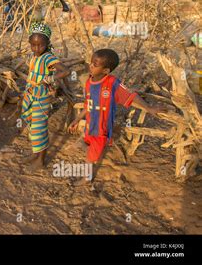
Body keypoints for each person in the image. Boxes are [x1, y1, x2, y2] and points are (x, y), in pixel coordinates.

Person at [68, 48, 166, 180]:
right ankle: (86, 152)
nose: (90, 66)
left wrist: (149, 108)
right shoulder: (88, 83)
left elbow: (131, 95)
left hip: (101, 129)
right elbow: (88, 105)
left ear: (106, 70)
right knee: (90, 146)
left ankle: (87, 179)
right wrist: (77, 119)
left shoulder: (112, 83)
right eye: (91, 62)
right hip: (90, 126)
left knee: (91, 158)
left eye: (95, 64)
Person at [21, 22, 70, 170]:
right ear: (30, 43)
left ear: (47, 43)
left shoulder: (48, 57)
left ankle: (41, 160)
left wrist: (50, 79)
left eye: (40, 45)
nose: (37, 49)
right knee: (32, 126)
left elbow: (66, 71)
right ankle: (36, 154)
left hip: (41, 98)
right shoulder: (34, 56)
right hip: (31, 94)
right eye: (33, 45)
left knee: (39, 129)